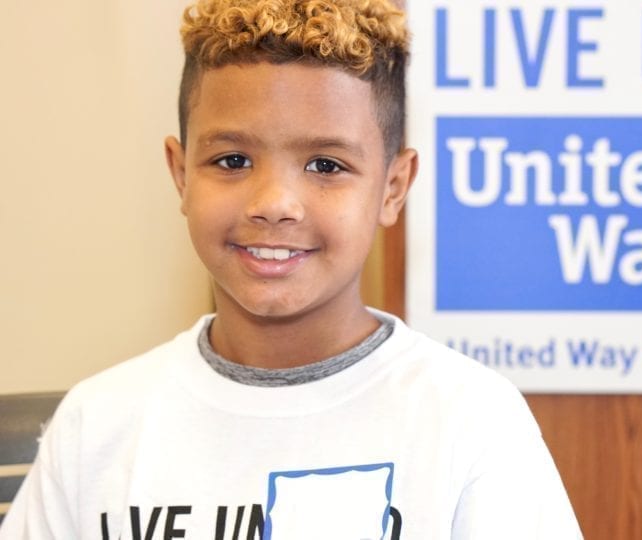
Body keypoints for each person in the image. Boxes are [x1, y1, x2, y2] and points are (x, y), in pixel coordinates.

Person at [0, 0, 582, 538]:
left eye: (326, 165)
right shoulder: (96, 426)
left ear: (393, 187)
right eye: (232, 160)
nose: (275, 203)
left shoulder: (469, 421)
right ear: (181, 174)